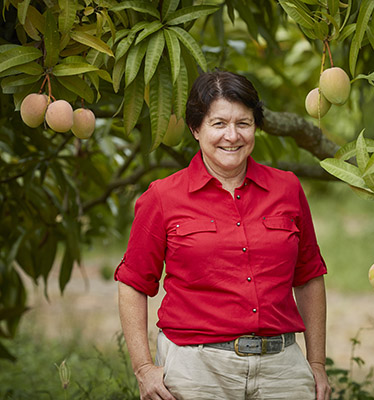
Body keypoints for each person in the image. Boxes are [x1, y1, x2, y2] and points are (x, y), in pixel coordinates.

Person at [115, 70, 331, 400]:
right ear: (196, 128)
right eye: (219, 124)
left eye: (243, 123)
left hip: (282, 370)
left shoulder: (287, 188)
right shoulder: (162, 196)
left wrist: (316, 363)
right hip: (197, 370)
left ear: (256, 127)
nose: (232, 136)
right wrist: (143, 368)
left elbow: (310, 276)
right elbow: (132, 283)